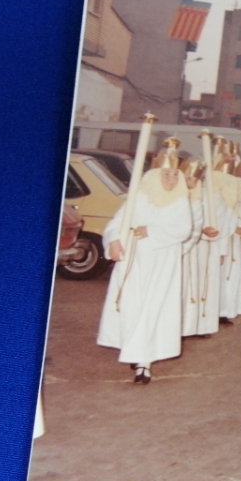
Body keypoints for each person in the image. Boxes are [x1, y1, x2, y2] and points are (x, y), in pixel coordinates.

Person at [97, 140, 193, 384]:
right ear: (155, 175)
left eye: (175, 175)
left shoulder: (180, 201)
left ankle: (143, 362)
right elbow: (117, 223)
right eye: (166, 174)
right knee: (132, 306)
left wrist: (152, 231)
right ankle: (134, 348)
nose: (171, 179)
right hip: (134, 261)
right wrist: (114, 241)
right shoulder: (139, 197)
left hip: (163, 263)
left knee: (153, 308)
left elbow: (183, 230)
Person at [213, 140, 241, 326]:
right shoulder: (212, 179)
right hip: (218, 234)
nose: (230, 159)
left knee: (231, 273)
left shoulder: (239, 181)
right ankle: (212, 311)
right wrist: (230, 227)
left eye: (233, 156)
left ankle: (225, 310)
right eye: (226, 156)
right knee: (216, 272)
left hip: (233, 235)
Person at [180, 159, 220, 338]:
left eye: (195, 180)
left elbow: (200, 222)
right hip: (175, 250)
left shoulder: (199, 198)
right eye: (188, 178)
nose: (191, 183)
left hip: (194, 249)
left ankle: (191, 327)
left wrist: (205, 231)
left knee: (194, 288)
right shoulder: (173, 197)